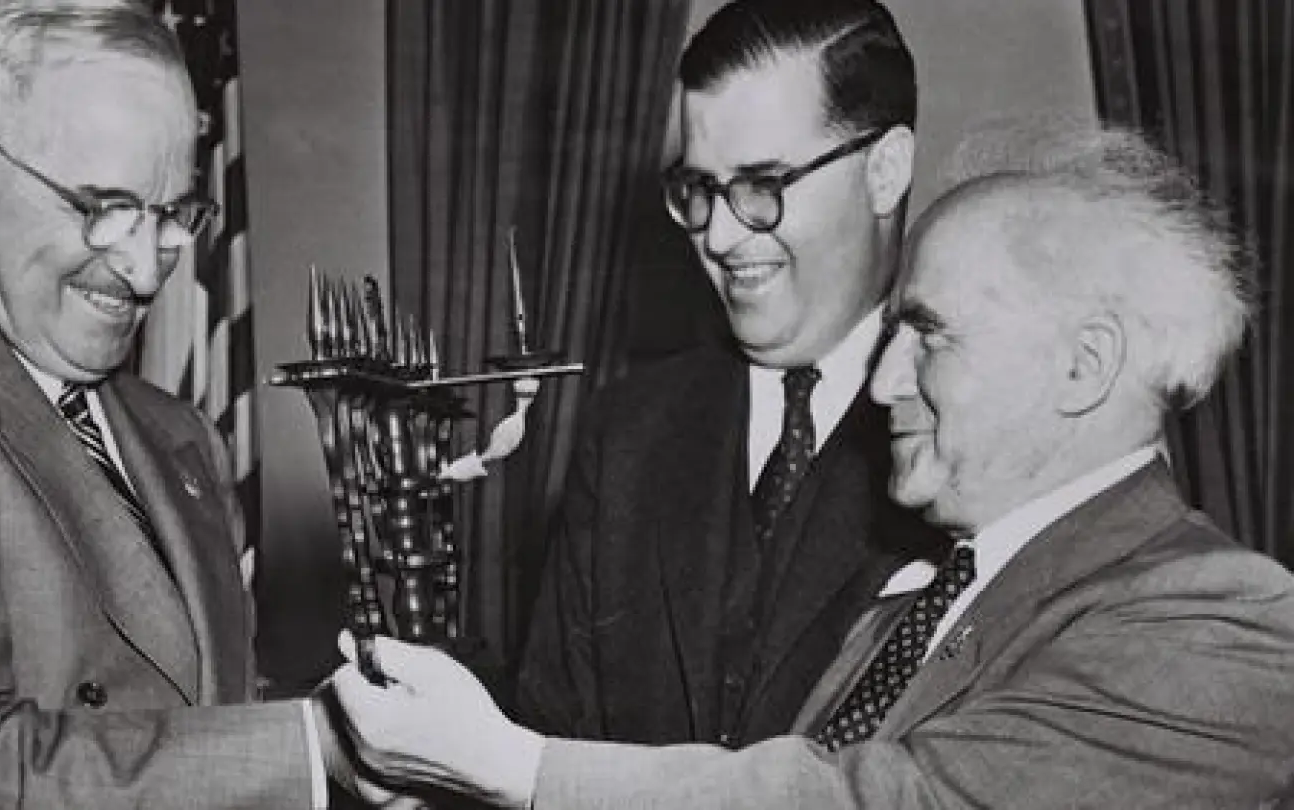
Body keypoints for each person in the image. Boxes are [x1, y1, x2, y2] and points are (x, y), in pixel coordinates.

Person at [330, 125, 1294, 807]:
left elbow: (884, 802)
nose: (882, 386)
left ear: (1084, 365)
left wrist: (519, 770)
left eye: (928, 336)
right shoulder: (922, 594)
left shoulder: (1233, 620)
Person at [0, 2, 385, 807]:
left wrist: (361, 730)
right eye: (102, 209)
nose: (145, 272)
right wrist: (311, 750)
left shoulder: (178, 435)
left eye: (172, 215)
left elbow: (202, 714)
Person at [516, 0, 945, 749]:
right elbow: (545, 743)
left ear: (885, 171)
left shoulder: (972, 432)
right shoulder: (626, 432)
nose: (716, 234)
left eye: (762, 184)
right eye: (699, 189)